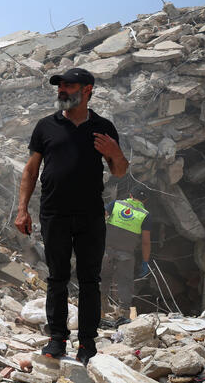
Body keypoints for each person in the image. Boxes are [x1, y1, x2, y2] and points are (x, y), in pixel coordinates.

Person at [14, 68, 128, 364]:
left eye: (69, 85)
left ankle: (87, 344)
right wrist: (22, 209)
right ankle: (57, 340)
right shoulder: (45, 127)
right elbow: (30, 170)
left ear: (87, 89)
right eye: (60, 86)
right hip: (54, 213)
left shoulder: (103, 127)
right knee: (57, 278)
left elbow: (119, 171)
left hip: (90, 215)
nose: (61, 90)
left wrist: (115, 151)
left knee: (90, 279)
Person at [101, 188, 151, 316]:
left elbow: (98, 218)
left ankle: (101, 306)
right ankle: (124, 312)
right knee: (125, 282)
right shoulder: (145, 215)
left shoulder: (116, 204)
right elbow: (145, 242)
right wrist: (145, 261)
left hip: (106, 250)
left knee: (102, 278)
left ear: (130, 195)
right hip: (126, 255)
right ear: (145, 200)